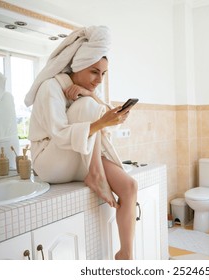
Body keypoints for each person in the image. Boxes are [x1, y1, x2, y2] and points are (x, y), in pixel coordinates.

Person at [25, 26, 138, 260]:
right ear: (77, 66)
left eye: (104, 74)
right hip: (49, 162)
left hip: (77, 156)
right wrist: (97, 115)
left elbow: (102, 123)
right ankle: (95, 175)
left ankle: (126, 254)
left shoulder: (86, 93)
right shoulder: (50, 88)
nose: (99, 80)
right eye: (94, 72)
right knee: (89, 109)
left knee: (129, 187)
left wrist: (91, 98)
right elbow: (59, 134)